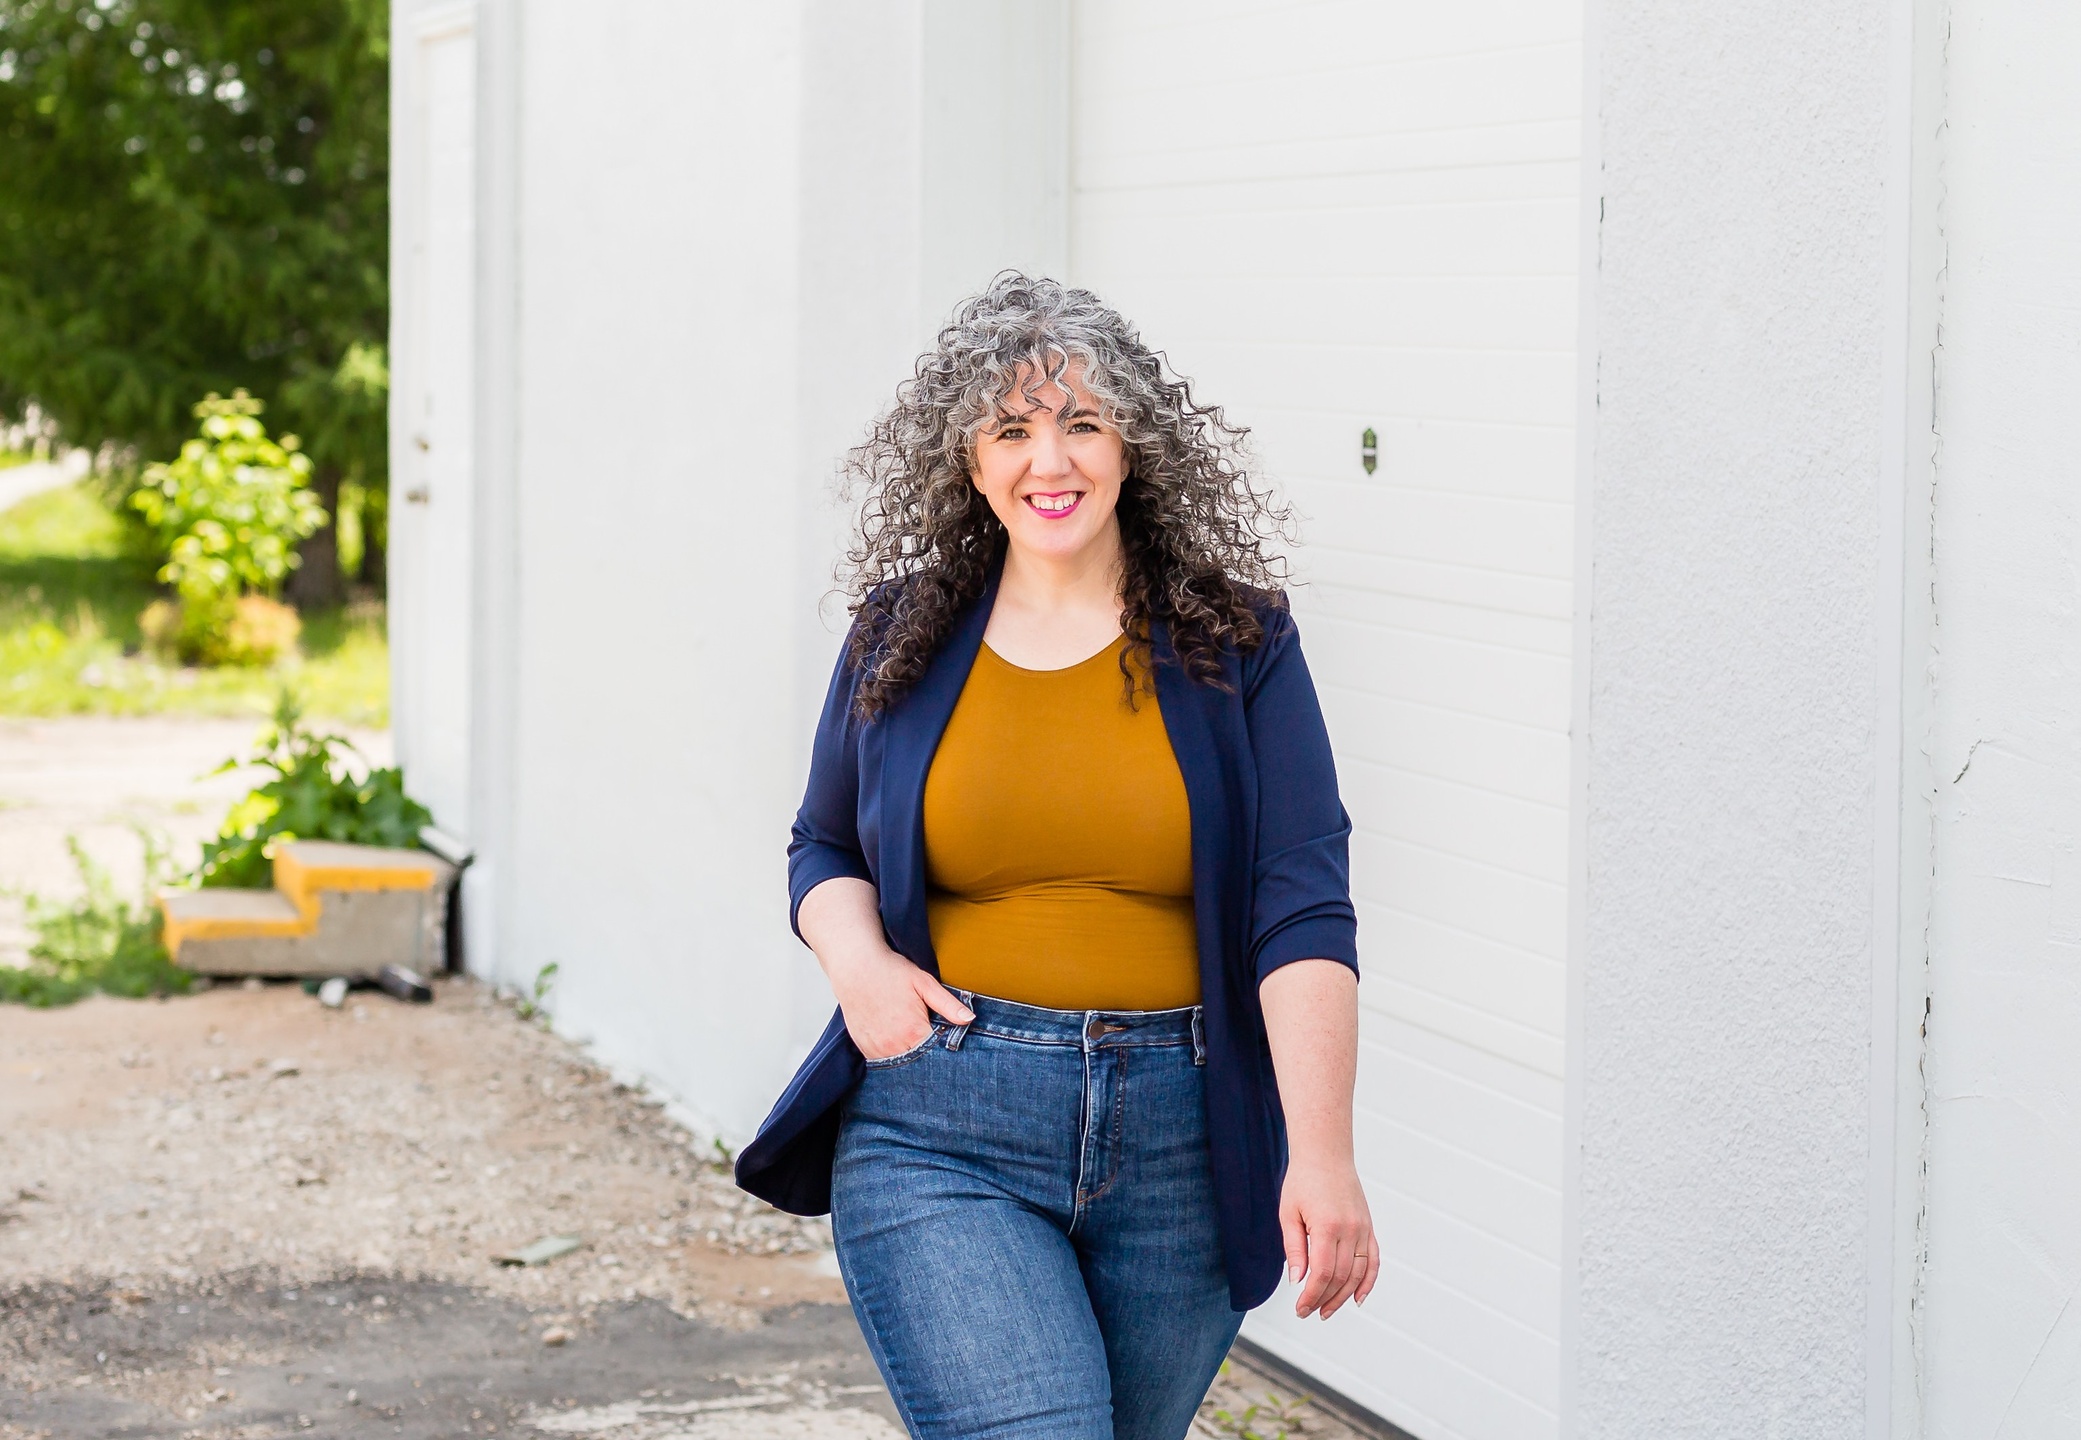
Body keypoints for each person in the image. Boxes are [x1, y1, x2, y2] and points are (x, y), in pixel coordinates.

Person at [736, 273, 1376, 1440]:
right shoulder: (899, 633)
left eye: (1081, 422)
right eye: (1011, 430)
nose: (1050, 461)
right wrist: (859, 968)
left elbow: (1298, 907)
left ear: (1132, 443)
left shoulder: (1238, 642)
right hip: (944, 1122)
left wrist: (1322, 1152)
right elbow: (822, 844)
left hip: (1185, 1144)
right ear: (968, 460)